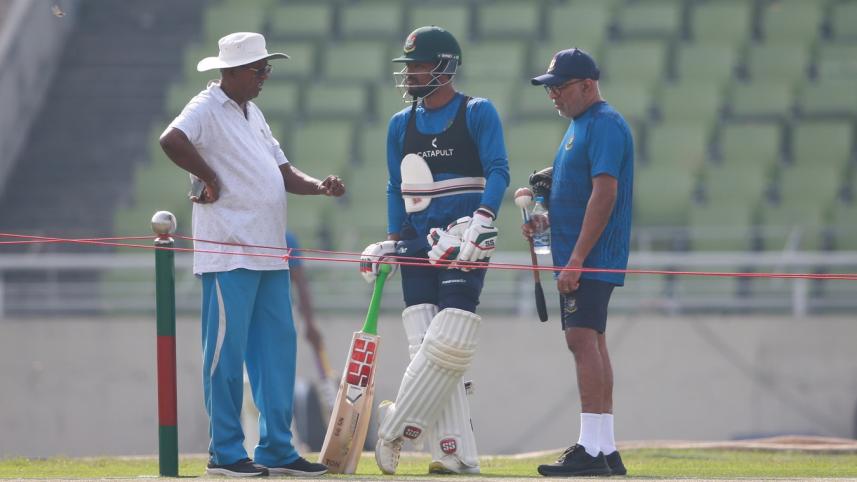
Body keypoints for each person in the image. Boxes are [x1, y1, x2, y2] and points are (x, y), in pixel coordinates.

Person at [159, 32, 344, 478]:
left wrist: (317, 184)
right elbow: (171, 139)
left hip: (268, 253)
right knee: (225, 355)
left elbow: (282, 172)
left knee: (276, 355)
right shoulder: (205, 107)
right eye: (260, 69)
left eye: (266, 69)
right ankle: (224, 454)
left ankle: (277, 449)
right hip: (228, 254)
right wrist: (209, 177)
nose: (265, 76)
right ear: (234, 71)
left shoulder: (253, 112)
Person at [359, 26, 510, 475]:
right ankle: (453, 452)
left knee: (451, 338)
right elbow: (394, 186)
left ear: (444, 67)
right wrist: (393, 238)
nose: (409, 75)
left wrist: (483, 218)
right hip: (417, 240)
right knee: (424, 343)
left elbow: (498, 169)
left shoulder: (477, 112)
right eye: (407, 67)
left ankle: (392, 426)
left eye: (418, 66)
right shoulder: (400, 124)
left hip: (465, 236)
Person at [525, 48, 633, 477]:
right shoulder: (581, 126)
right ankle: (604, 448)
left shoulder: (603, 124)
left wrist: (577, 260)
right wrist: (543, 219)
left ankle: (590, 449)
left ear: (588, 85)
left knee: (581, 341)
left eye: (560, 86)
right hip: (582, 255)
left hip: (588, 258)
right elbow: (576, 192)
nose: (553, 95)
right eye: (549, 88)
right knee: (594, 342)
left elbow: (604, 193)